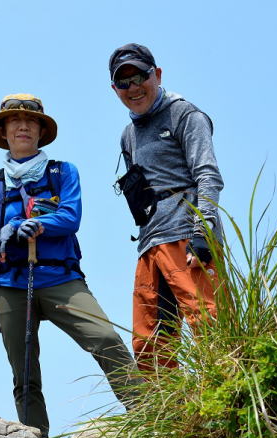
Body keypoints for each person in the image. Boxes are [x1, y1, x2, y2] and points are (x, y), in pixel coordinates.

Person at [0, 93, 136, 438]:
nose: (23, 126)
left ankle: (151, 415)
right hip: (11, 283)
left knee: (106, 338)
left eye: (31, 121)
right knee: (24, 372)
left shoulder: (62, 172)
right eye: (14, 121)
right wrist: (6, 233)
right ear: (3, 131)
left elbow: (70, 217)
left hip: (61, 277)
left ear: (41, 130)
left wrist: (37, 225)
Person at [108, 43, 224, 372]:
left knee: (209, 323)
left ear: (156, 75)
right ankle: (174, 418)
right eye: (123, 82)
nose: (133, 88)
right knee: (149, 342)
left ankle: (229, 405)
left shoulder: (186, 114)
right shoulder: (128, 135)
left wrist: (203, 234)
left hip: (187, 234)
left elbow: (208, 175)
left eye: (139, 77)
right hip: (150, 242)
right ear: (114, 89)